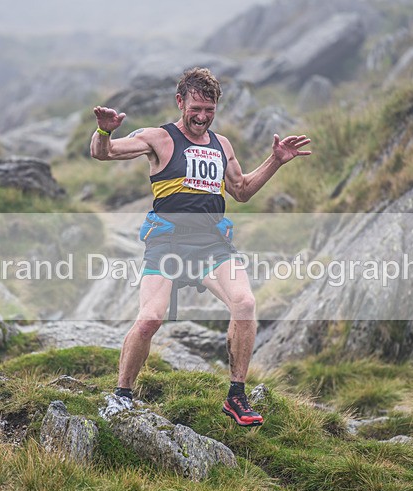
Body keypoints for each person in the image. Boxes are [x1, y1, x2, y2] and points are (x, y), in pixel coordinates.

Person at [90, 67, 311, 426]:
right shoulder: (159, 138)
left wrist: (275, 161)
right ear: (180, 102)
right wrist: (104, 131)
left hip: (212, 244)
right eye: (196, 108)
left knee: (245, 303)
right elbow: (105, 153)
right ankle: (122, 396)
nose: (202, 117)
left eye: (210, 110)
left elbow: (240, 190)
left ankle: (236, 396)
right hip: (167, 243)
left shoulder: (222, 145)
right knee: (149, 319)